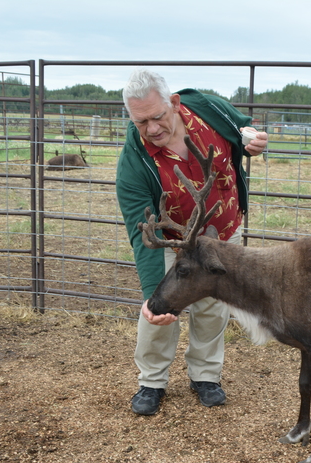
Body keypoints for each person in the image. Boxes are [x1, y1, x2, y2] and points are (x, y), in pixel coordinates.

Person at [116, 69, 268, 416]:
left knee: (214, 305)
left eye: (157, 117)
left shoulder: (206, 108)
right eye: (141, 123)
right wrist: (154, 291)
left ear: (174, 103)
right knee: (160, 309)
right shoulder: (134, 164)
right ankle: (152, 381)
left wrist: (253, 139)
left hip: (224, 232)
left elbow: (241, 125)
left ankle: (205, 375)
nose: (152, 129)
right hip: (174, 242)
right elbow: (143, 231)